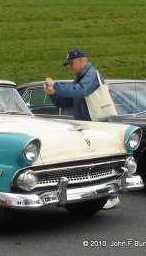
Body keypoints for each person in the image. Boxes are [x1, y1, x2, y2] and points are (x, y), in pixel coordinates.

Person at [44, 48, 119, 209]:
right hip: (88, 126)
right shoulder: (81, 78)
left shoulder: (91, 75)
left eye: (71, 63)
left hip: (98, 125)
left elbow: (80, 92)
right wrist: (52, 94)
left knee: (103, 161)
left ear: (81, 60)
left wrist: (56, 85)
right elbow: (68, 102)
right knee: (91, 162)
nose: (70, 66)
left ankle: (112, 195)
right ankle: (100, 195)